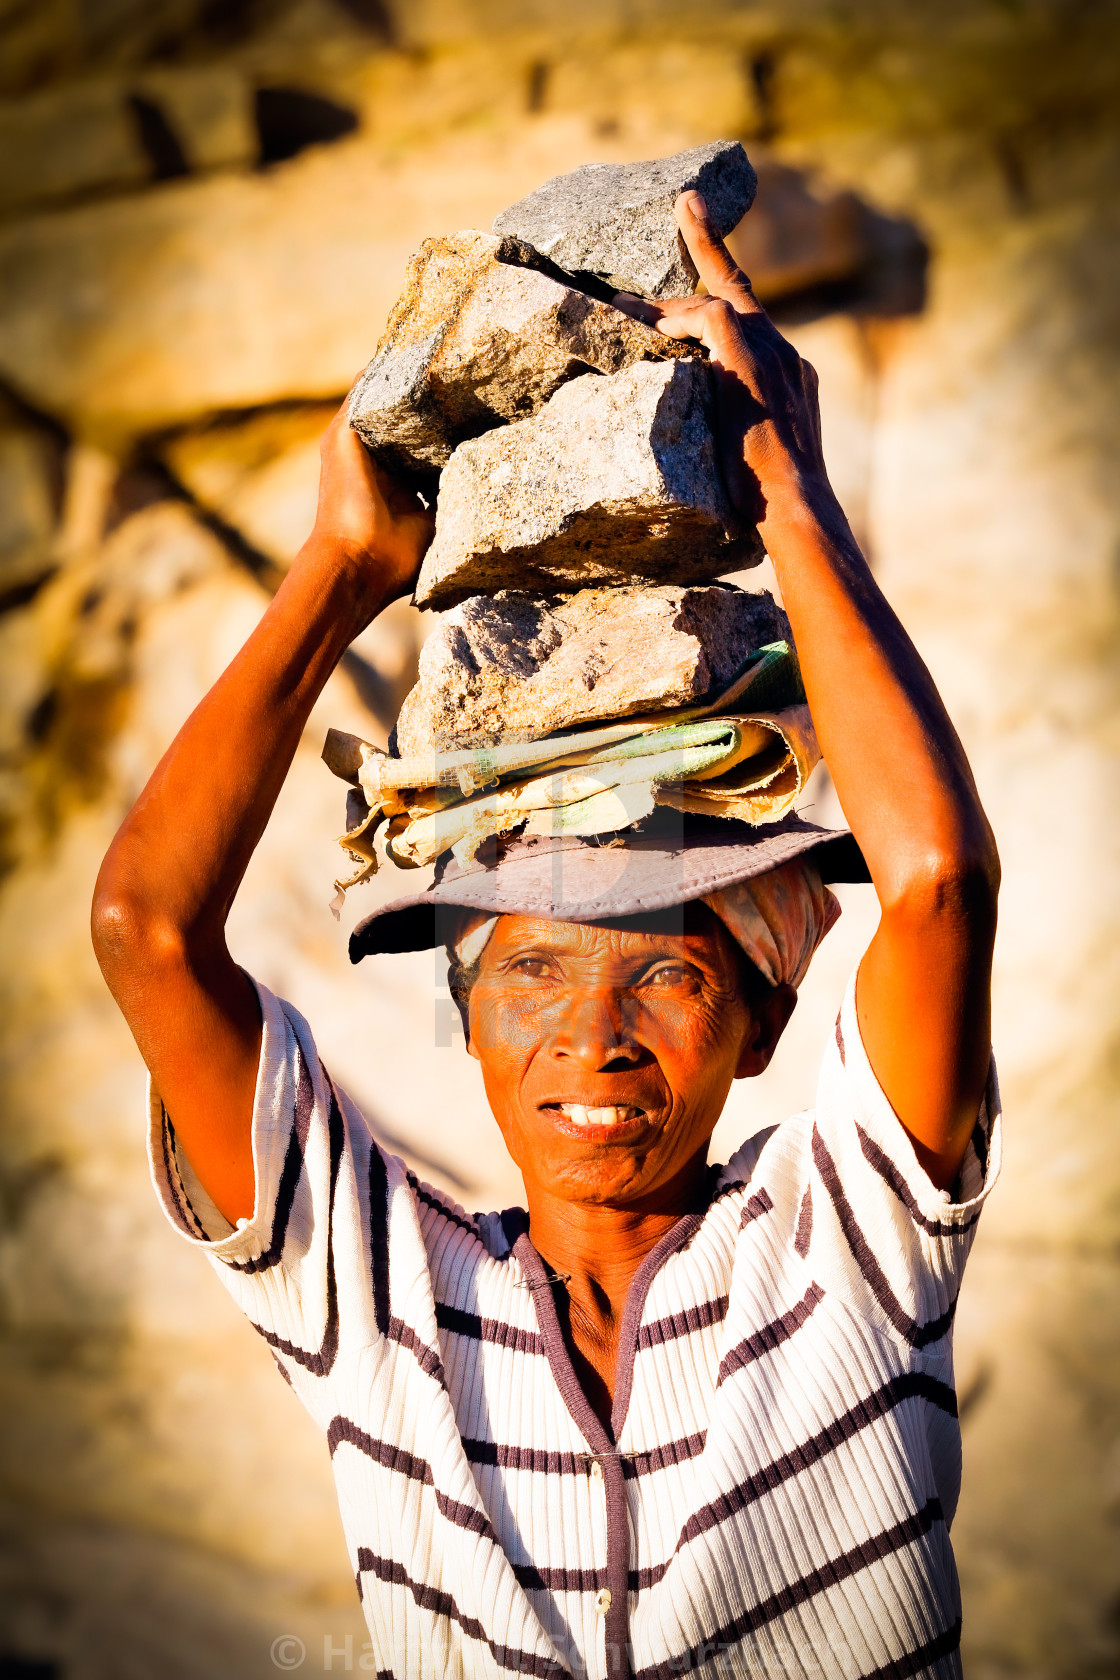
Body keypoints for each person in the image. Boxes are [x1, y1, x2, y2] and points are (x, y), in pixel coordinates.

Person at [91, 194, 1000, 1679]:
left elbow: (938, 881)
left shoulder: (847, 1240)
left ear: (767, 1022)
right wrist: (341, 565)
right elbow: (147, 928)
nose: (591, 1037)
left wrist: (785, 488)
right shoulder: (380, 1304)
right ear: (463, 1012)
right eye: (528, 970)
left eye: (670, 969)